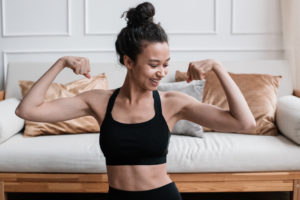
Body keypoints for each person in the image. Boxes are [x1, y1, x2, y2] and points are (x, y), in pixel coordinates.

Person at [15, 2, 256, 200]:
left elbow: (245, 123)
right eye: (153, 65)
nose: (161, 72)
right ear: (129, 61)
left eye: (165, 64)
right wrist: (61, 63)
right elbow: (27, 110)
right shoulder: (99, 101)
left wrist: (218, 68)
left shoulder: (172, 102)